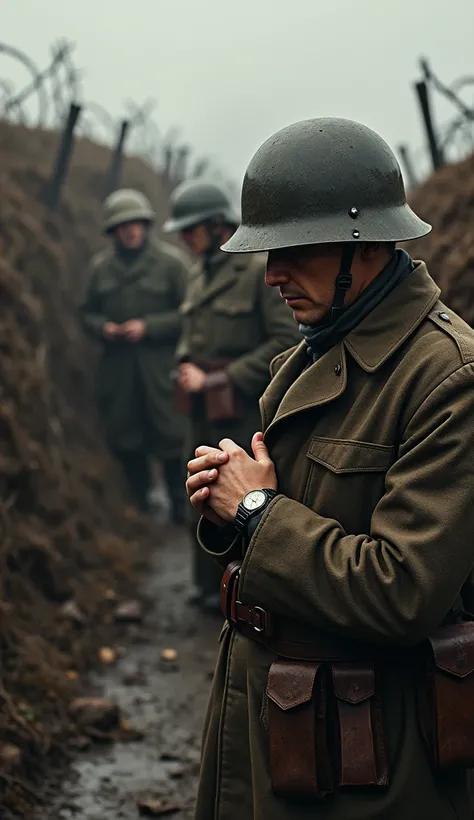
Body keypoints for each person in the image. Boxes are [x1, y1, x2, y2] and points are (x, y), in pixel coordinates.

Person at [186, 118, 474, 819]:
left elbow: (402, 590)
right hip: (279, 716)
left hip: (366, 749)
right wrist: (228, 502)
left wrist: (256, 514)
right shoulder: (309, 353)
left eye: (295, 251)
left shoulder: (447, 377)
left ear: (368, 245)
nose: (273, 274)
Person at [163, 179, 300, 612]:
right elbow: (192, 332)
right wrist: (187, 363)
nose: (185, 238)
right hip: (203, 409)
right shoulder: (197, 272)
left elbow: (285, 342)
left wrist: (222, 379)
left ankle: (244, 592)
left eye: (192, 229)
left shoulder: (257, 270)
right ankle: (207, 585)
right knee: (199, 493)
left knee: (238, 502)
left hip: (243, 412)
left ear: (219, 226)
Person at [80, 188, 189, 522]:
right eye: (123, 225)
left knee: (172, 440)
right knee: (126, 439)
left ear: (146, 225)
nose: (131, 231)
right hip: (119, 370)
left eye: (137, 224)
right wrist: (104, 329)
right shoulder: (100, 269)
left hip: (161, 369)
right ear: (112, 230)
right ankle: (139, 504)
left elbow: (192, 313)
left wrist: (149, 327)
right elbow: (86, 313)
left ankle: (179, 507)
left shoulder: (172, 264)